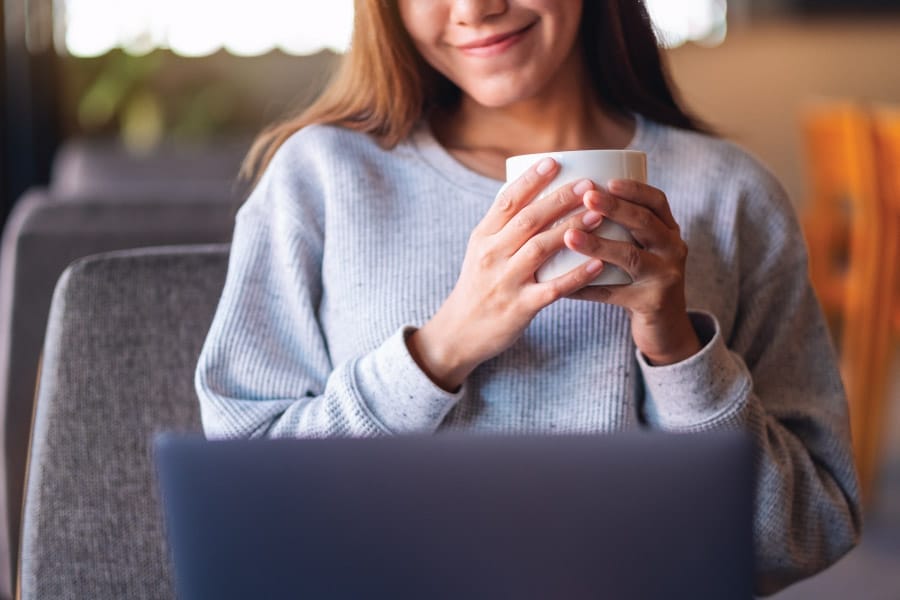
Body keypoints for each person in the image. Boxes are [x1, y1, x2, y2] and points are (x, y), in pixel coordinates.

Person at [195, 0, 860, 594]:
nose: (475, 9)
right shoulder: (321, 178)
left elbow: (812, 530)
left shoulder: (730, 194)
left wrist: (681, 357)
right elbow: (243, 505)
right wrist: (439, 351)